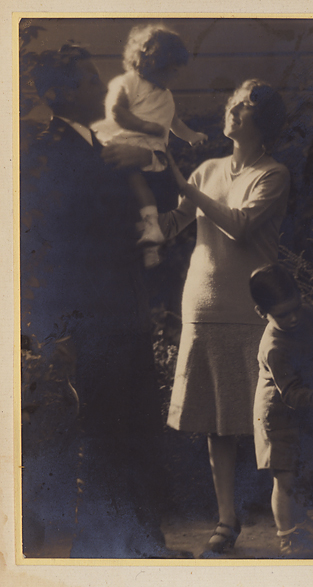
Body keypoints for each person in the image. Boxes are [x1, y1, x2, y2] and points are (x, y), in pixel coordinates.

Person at [21, 43, 190, 558]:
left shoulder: (101, 143)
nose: (102, 86)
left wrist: (149, 158)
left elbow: (168, 196)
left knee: (134, 426)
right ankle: (110, 547)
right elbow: (50, 244)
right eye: (90, 79)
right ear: (65, 92)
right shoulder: (49, 152)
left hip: (123, 309)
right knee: (104, 432)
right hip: (89, 316)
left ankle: (141, 542)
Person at [158, 79, 290, 556]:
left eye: (246, 105)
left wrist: (185, 190)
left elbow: (239, 226)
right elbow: (171, 225)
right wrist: (134, 211)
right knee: (218, 422)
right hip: (203, 307)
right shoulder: (206, 170)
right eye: (234, 101)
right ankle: (226, 520)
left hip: (251, 312)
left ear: (263, 121)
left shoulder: (273, 174)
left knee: (267, 419)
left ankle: (287, 522)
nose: (233, 108)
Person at [94, 23, 207, 266]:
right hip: (126, 141)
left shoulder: (165, 95)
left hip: (153, 154)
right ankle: (150, 233)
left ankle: (151, 242)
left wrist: (191, 136)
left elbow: (174, 122)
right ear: (152, 63)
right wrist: (145, 127)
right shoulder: (127, 82)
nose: (175, 77)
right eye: (171, 70)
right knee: (134, 188)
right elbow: (117, 111)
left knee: (151, 194)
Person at [249, 264, 313, 558]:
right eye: (283, 315)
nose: (294, 317)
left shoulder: (304, 316)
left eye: (296, 307)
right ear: (262, 313)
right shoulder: (274, 346)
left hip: (301, 407)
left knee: (302, 469)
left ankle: (299, 521)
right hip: (277, 415)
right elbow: (293, 395)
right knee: (284, 478)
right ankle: (286, 537)